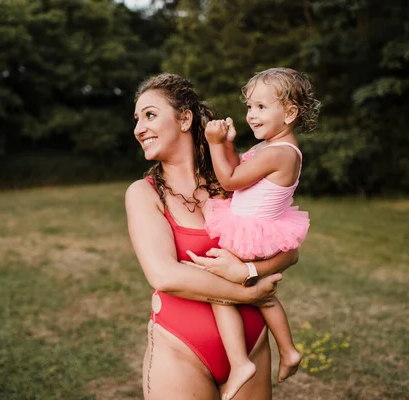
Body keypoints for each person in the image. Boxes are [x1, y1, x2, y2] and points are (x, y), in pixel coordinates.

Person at [125, 73, 300, 400]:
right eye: (136, 119)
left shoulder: (233, 183)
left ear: (185, 119)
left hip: (253, 344)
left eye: (149, 115)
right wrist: (250, 294)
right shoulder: (144, 194)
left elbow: (290, 251)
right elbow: (164, 274)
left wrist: (248, 272)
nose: (138, 128)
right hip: (181, 348)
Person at [189, 67, 321, 398]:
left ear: (290, 113)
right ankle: (288, 350)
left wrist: (213, 142)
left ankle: (240, 363)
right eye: (249, 106)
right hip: (254, 227)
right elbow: (239, 171)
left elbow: (230, 181)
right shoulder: (270, 148)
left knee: (218, 290)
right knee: (265, 295)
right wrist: (228, 145)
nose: (251, 114)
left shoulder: (279, 152)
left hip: (251, 234)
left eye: (262, 107)